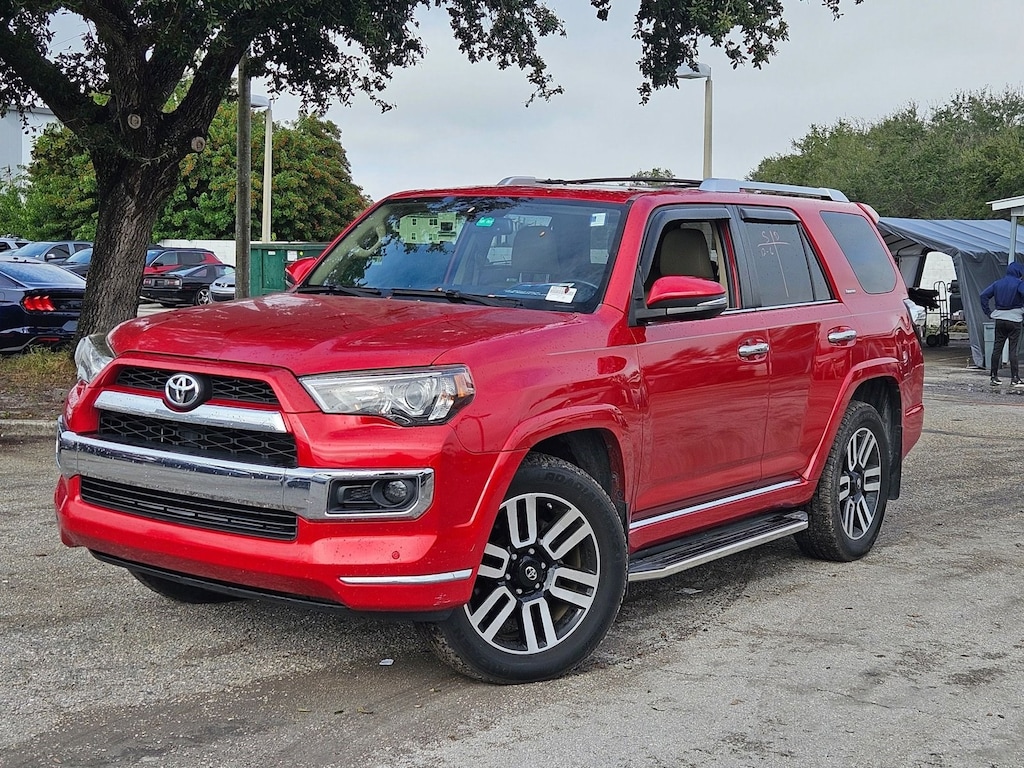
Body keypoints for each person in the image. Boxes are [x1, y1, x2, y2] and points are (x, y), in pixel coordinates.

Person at [979, 261, 1024, 387]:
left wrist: (988, 312)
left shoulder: (997, 283)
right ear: (1019, 272)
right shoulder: (1019, 283)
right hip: (1015, 320)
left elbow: (983, 295)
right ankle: (1015, 378)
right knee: (1013, 350)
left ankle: (994, 377)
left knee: (997, 348)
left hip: (999, 319)